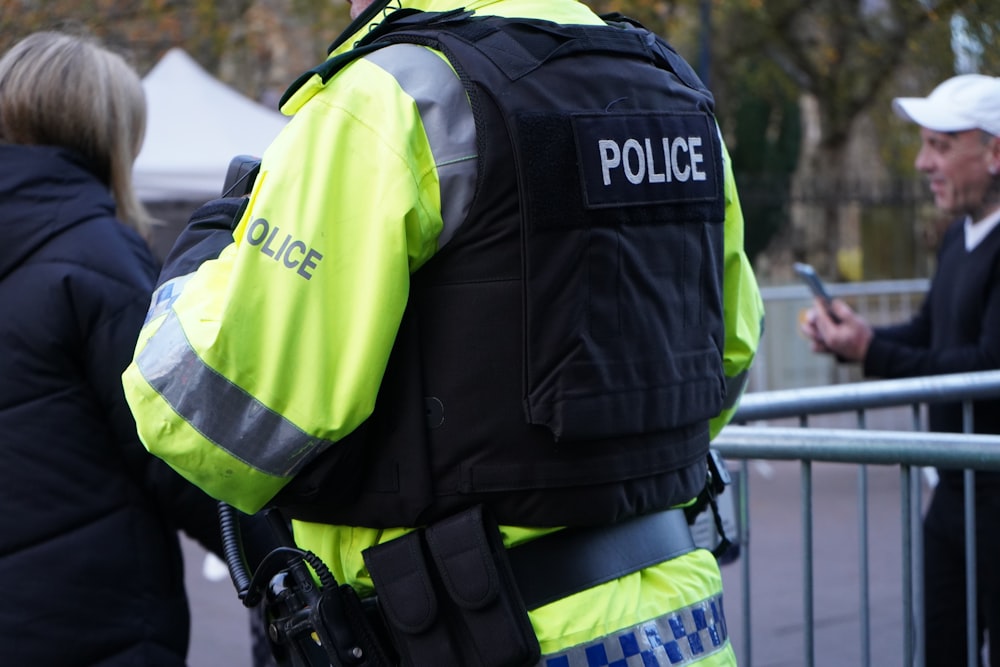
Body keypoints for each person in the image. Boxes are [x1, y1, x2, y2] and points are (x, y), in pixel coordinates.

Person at [123, 1, 764, 665]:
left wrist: (198, 262)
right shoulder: (672, 88)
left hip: (481, 637)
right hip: (681, 630)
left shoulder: (391, 95)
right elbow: (729, 358)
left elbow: (219, 419)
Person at [0, 31, 231, 665]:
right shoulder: (91, 254)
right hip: (86, 618)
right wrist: (278, 560)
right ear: (109, 133)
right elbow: (173, 442)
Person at [801, 73, 1000, 666]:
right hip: (955, 487)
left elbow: (987, 368)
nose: (921, 163)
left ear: (994, 152)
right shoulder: (959, 236)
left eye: (940, 145)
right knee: (942, 645)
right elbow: (928, 335)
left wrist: (871, 351)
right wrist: (853, 340)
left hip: (992, 493)